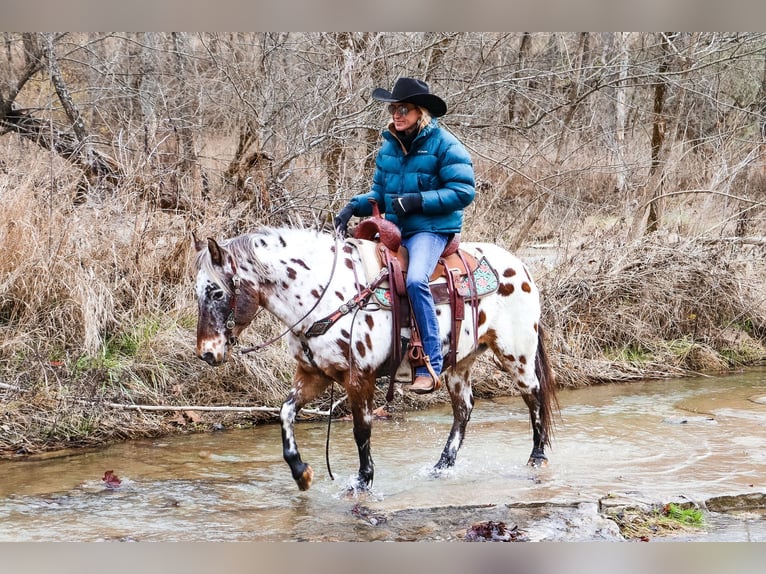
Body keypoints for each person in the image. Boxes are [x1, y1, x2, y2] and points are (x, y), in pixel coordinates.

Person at [334, 77, 476, 394]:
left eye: (405, 109)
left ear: (421, 112)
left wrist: (418, 201)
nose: (397, 114)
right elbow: (381, 194)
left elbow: (464, 192)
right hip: (397, 228)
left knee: (414, 281)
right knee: (360, 276)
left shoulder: (445, 144)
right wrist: (352, 207)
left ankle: (430, 362)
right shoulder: (389, 148)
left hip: (432, 229)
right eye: (394, 108)